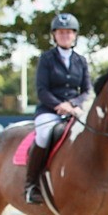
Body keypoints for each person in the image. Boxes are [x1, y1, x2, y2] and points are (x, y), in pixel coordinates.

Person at [25, 12, 92, 204]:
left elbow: (87, 90)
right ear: (54, 35)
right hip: (49, 110)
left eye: (68, 32)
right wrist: (58, 105)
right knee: (44, 135)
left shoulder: (81, 60)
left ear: (74, 35)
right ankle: (32, 184)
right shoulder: (46, 59)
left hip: (75, 109)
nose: (65, 35)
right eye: (61, 32)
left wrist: (72, 104)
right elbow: (41, 90)